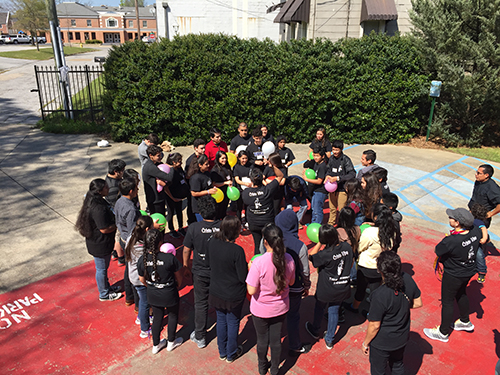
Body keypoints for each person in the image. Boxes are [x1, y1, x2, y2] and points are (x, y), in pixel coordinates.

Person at [423, 208, 482, 343]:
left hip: (454, 274)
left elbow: (438, 250)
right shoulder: (475, 231)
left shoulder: (451, 240)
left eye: (451, 218)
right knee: (461, 293)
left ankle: (443, 332)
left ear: (457, 223)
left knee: (447, 301)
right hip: (468, 270)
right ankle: (464, 320)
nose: (449, 219)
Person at [362, 251, 422, 375]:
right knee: (397, 364)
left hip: (382, 342)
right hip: (401, 337)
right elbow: (418, 303)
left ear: (380, 271)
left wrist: (365, 343)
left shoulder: (379, 295)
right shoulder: (408, 279)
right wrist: (401, 306)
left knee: (378, 370)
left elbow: (374, 326)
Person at [246, 224, 295, 375]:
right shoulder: (288, 259)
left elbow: (251, 290)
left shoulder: (258, 263)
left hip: (260, 310)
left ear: (265, 242)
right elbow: (291, 282)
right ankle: (274, 370)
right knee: (275, 341)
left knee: (262, 340)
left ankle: (262, 368)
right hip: (280, 308)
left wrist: (250, 269)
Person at [306, 224, 353, 349]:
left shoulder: (325, 254)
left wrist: (319, 243)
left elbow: (311, 256)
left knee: (319, 308)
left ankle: (315, 329)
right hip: (341, 286)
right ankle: (330, 339)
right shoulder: (347, 247)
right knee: (334, 311)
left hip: (326, 289)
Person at [207, 216, 247, 362]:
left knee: (221, 320)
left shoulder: (212, 243)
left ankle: (222, 351)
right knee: (232, 321)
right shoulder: (237, 251)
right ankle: (231, 353)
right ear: (235, 231)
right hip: (233, 294)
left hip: (216, 290)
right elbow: (242, 276)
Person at [183, 196, 221, 349]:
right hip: (219, 271)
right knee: (220, 302)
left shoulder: (193, 228)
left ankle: (200, 336)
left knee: (200, 303)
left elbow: (186, 250)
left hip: (200, 271)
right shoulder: (223, 226)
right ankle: (223, 332)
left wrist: (186, 266)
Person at [137, 229, 184, 354]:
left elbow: (142, 279)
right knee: (173, 315)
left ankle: (156, 345)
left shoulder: (142, 260)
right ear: (161, 242)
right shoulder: (169, 258)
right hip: (169, 292)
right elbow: (179, 276)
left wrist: (152, 286)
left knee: (157, 317)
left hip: (153, 293)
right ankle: (171, 342)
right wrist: (176, 285)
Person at [75, 179, 122, 301]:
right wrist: (117, 225)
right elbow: (104, 229)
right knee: (101, 269)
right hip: (99, 244)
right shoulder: (97, 208)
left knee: (104, 268)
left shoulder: (96, 201)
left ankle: (107, 287)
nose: (108, 188)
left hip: (100, 242)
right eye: (106, 187)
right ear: (100, 191)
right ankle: (104, 294)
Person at [346, 203, 398, 313]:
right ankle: (373, 312)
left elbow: (360, 247)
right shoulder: (391, 232)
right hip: (379, 267)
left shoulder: (369, 232)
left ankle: (354, 307)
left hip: (365, 266)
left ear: (375, 217)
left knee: (360, 289)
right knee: (375, 290)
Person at [274, 209, 311, 355]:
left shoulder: (268, 242)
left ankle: (274, 344)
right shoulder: (300, 245)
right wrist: (306, 285)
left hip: (274, 287)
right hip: (294, 288)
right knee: (293, 316)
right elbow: (305, 271)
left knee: (275, 318)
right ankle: (295, 344)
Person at [242, 161, 284, 255]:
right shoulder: (268, 190)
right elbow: (280, 176)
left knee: (257, 245)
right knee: (270, 245)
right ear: (262, 178)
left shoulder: (246, 192)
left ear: (251, 180)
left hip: (253, 223)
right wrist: (272, 166)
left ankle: (258, 264)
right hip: (267, 223)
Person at [124, 215, 154, 338]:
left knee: (143, 301)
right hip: (140, 279)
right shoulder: (142, 247)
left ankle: (142, 317)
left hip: (133, 276)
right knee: (144, 302)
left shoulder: (132, 237)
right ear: (147, 229)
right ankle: (144, 328)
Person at [115, 178, 141, 308]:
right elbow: (132, 230)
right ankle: (137, 303)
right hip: (130, 241)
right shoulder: (131, 209)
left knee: (128, 269)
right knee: (134, 271)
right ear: (131, 191)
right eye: (136, 188)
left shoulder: (119, 201)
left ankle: (129, 297)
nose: (138, 190)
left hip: (123, 237)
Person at [324, 140, 356, 225]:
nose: (334, 152)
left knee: (342, 209)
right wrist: (327, 175)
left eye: (337, 150)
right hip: (332, 188)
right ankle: (331, 223)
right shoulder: (331, 158)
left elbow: (352, 174)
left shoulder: (346, 160)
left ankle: (342, 224)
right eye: (333, 150)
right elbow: (328, 170)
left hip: (342, 188)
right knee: (332, 208)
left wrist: (338, 178)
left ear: (341, 149)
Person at [105, 159, 126, 265]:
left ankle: (115, 253)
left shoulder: (108, 179)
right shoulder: (113, 187)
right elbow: (115, 204)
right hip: (116, 214)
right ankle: (121, 258)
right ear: (116, 171)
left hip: (113, 211)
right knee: (119, 237)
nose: (124, 172)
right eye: (122, 170)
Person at [142, 145, 173, 216]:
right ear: (151, 155)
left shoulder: (157, 163)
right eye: (158, 156)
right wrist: (172, 168)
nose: (160, 157)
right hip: (155, 200)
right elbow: (168, 177)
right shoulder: (151, 167)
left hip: (158, 197)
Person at [164, 153, 190, 238]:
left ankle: (180, 227)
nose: (181, 163)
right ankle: (171, 229)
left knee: (179, 212)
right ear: (173, 162)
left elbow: (183, 178)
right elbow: (166, 187)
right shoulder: (170, 172)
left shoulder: (179, 169)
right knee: (171, 212)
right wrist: (173, 198)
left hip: (179, 196)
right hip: (171, 196)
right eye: (179, 162)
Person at [187, 154, 217, 222]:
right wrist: (208, 192)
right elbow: (194, 193)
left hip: (208, 203)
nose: (208, 166)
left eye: (208, 163)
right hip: (199, 207)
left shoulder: (207, 173)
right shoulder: (196, 178)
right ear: (200, 165)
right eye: (206, 164)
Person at [303, 146, 328, 225]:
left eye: (317, 156)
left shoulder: (322, 166)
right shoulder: (316, 164)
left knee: (317, 210)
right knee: (314, 208)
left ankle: (317, 224)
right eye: (314, 155)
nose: (315, 158)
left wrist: (307, 179)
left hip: (320, 191)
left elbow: (319, 181)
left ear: (322, 156)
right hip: (316, 190)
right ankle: (314, 223)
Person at [337, 206, 361, 284]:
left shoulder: (338, 231)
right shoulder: (357, 229)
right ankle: (353, 279)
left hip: (340, 256)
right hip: (352, 255)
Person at [185, 139, 206, 225]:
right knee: (191, 206)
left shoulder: (203, 157)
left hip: (201, 187)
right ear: (195, 148)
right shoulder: (190, 161)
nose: (204, 150)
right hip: (193, 187)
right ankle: (191, 222)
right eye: (201, 148)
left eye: (204, 148)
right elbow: (187, 175)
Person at [470, 203, 489, 283]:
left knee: (479, 254)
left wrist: (484, 238)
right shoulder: (472, 220)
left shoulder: (477, 222)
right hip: (472, 239)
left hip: (477, 241)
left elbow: (484, 229)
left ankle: (482, 271)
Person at [211, 151, 233, 219]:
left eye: (225, 158)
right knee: (218, 210)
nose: (224, 160)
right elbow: (214, 184)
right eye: (222, 158)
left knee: (224, 209)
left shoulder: (227, 166)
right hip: (219, 194)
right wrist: (225, 183)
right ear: (218, 159)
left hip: (227, 192)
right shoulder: (215, 170)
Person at [233, 150, 252, 225]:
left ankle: (247, 221)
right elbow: (237, 180)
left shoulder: (250, 165)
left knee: (248, 206)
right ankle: (239, 222)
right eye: (243, 158)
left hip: (249, 189)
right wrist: (245, 183)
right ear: (239, 158)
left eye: (246, 158)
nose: (244, 160)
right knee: (239, 207)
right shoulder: (236, 167)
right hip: (240, 190)